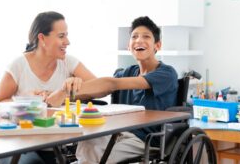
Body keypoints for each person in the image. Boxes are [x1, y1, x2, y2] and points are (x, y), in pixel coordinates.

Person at [69, 16, 179, 163]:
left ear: (157, 45)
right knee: (86, 143)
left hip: (145, 140)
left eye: (146, 36)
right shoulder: (125, 72)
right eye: (134, 37)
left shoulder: (167, 73)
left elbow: (111, 84)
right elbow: (103, 89)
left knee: (103, 158)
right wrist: (70, 93)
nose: (139, 40)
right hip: (117, 133)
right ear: (129, 46)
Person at [0, 11, 96, 164]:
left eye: (66, 35)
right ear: (42, 38)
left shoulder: (69, 62)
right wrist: (27, 102)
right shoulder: (18, 65)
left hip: (56, 145)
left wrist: (66, 92)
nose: (67, 41)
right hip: (19, 144)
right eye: (61, 36)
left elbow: (97, 87)